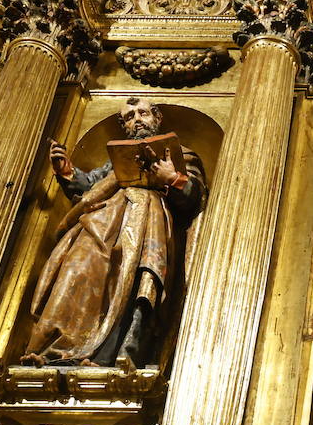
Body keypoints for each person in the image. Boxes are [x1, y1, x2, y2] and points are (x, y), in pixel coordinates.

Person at [23, 98, 206, 367]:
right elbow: (90, 186)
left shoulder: (180, 155)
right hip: (100, 224)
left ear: (157, 118)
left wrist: (172, 178)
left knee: (131, 282)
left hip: (146, 228)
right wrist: (68, 172)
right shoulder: (115, 163)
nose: (137, 120)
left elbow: (194, 196)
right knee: (75, 270)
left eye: (143, 113)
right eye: (130, 117)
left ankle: (108, 356)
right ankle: (56, 349)